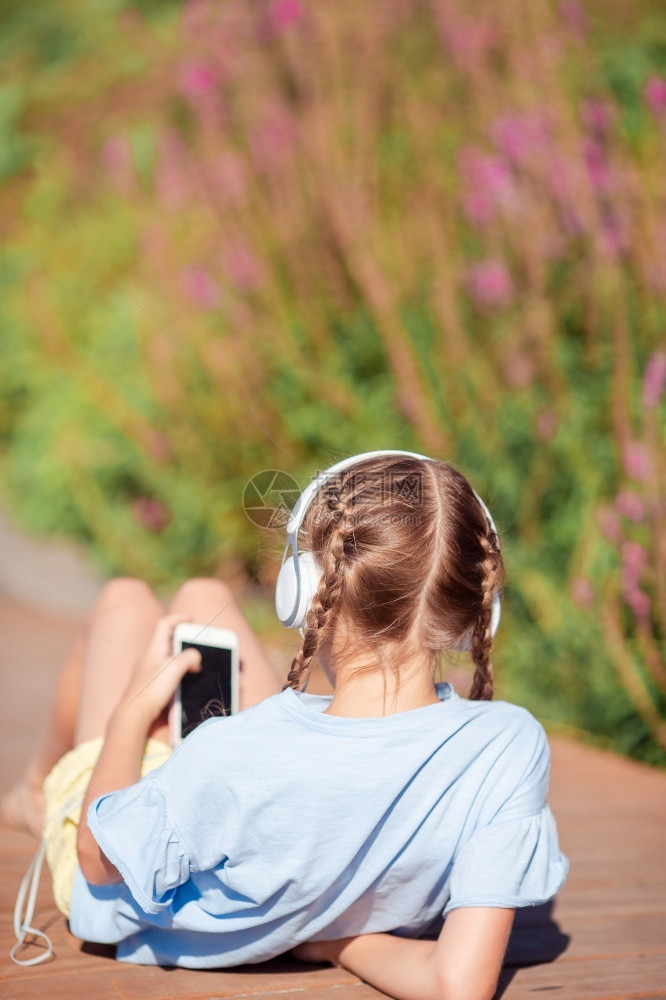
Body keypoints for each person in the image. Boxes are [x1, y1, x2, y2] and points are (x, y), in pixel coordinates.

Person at [5, 451, 568, 999]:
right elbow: (458, 985)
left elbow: (100, 866)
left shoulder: (228, 753)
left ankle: (34, 792)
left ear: (303, 589)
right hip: (262, 821)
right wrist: (337, 944)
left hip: (141, 874)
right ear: (476, 610)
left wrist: (130, 711)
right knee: (205, 599)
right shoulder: (510, 744)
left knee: (124, 602)